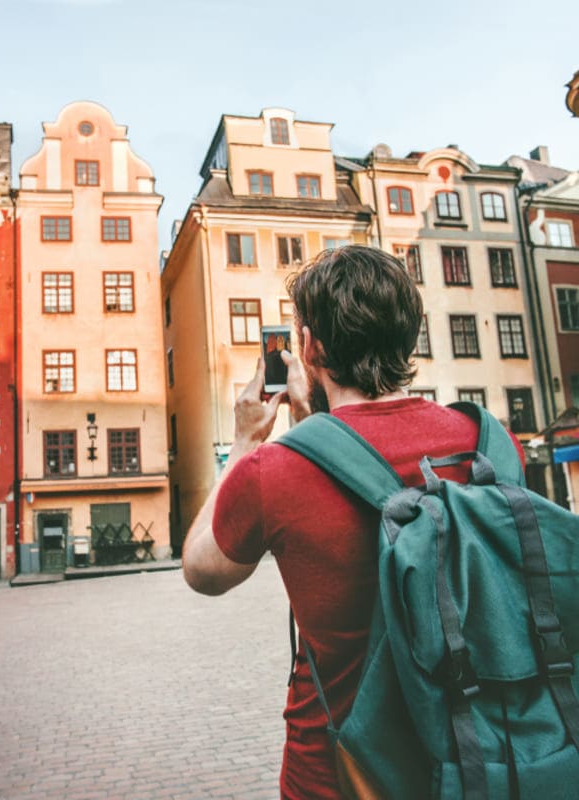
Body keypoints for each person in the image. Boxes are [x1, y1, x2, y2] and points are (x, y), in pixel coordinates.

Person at [182, 245, 524, 800]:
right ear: (408, 336)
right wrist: (318, 429)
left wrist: (246, 441)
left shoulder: (276, 469)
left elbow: (202, 570)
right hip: (483, 754)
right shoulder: (491, 442)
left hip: (342, 772)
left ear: (310, 346)